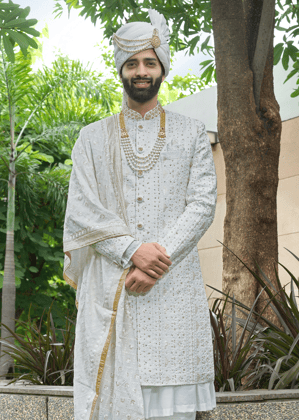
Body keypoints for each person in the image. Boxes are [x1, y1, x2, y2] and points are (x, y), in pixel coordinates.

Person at [63, 9, 217, 420]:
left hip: (173, 294)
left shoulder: (192, 132)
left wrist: (153, 261)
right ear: (121, 70)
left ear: (162, 68)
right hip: (114, 294)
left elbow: (202, 203)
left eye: (149, 62)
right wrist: (132, 250)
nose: (141, 71)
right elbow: (81, 210)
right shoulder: (92, 138)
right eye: (132, 63)